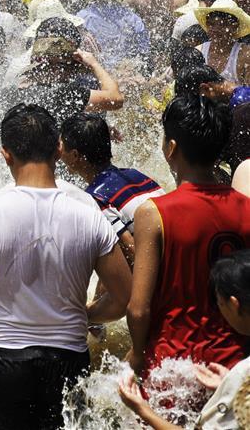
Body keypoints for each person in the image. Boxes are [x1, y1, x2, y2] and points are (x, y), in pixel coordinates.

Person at [0, 103, 131, 430]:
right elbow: (123, 297)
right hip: (67, 358)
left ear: (6, 154)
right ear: (59, 149)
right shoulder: (88, 213)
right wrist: (85, 314)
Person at [128, 95, 250, 380]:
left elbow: (138, 309)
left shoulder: (154, 213)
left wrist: (136, 353)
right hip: (234, 365)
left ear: (171, 148)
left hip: (173, 365)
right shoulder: (246, 208)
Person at [120, 250, 250, 429]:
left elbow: (137, 310)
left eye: (220, 304)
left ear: (234, 304)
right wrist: (227, 385)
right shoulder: (242, 376)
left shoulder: (244, 372)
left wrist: (143, 410)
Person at [60, 113, 165, 265]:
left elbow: (132, 252)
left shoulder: (95, 198)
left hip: (160, 274)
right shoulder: (136, 174)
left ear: (75, 155)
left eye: (62, 146)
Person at [75, 0, 149, 70]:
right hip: (126, 71)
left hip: (96, 72)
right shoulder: (131, 17)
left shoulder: (82, 17)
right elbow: (144, 49)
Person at [195, 0, 250, 85]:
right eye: (212, 24)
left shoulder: (245, 55)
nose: (216, 29)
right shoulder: (198, 51)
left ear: (234, 27)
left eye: (222, 24)